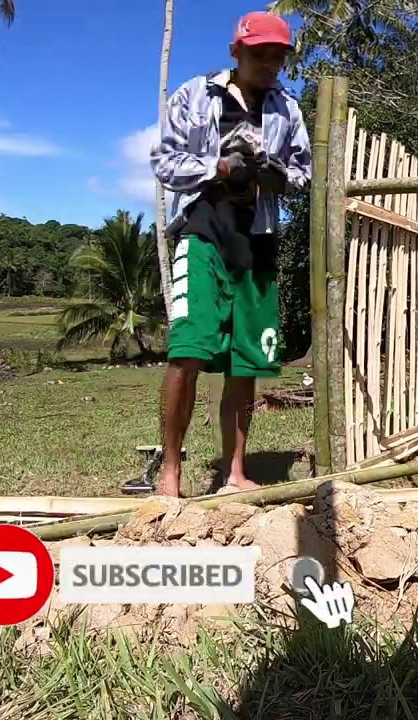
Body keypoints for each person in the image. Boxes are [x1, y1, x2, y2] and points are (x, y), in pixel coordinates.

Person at [150, 10, 311, 498]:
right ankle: (171, 472)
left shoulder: (288, 110)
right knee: (188, 351)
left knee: (247, 362)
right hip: (203, 234)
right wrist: (219, 166)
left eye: (277, 57)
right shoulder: (195, 96)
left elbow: (304, 173)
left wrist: (271, 173)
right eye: (260, 54)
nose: (269, 65)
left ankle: (235, 472)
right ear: (236, 51)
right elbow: (164, 163)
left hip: (257, 240)